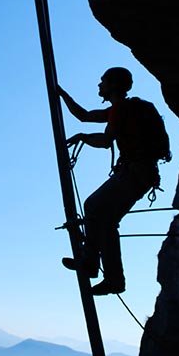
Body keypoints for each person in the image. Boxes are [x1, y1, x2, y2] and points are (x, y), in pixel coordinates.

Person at [58, 67, 170, 296]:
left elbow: (106, 140)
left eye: (103, 82)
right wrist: (61, 94)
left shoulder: (120, 110)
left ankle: (93, 264)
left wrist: (83, 137)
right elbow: (85, 116)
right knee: (106, 221)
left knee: (93, 206)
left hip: (134, 172)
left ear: (114, 85)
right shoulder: (124, 109)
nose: (99, 86)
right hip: (142, 174)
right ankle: (108, 275)